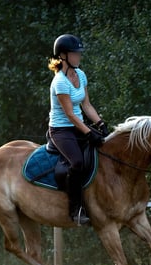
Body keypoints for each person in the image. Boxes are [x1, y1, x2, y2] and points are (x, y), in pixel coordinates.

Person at [47, 34, 109, 225]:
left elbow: (86, 105)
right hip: (61, 130)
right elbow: (70, 115)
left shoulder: (80, 75)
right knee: (77, 163)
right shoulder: (59, 82)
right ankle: (76, 209)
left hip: (78, 125)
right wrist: (89, 133)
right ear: (63, 56)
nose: (79, 57)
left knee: (106, 148)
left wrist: (100, 124)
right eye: (75, 54)